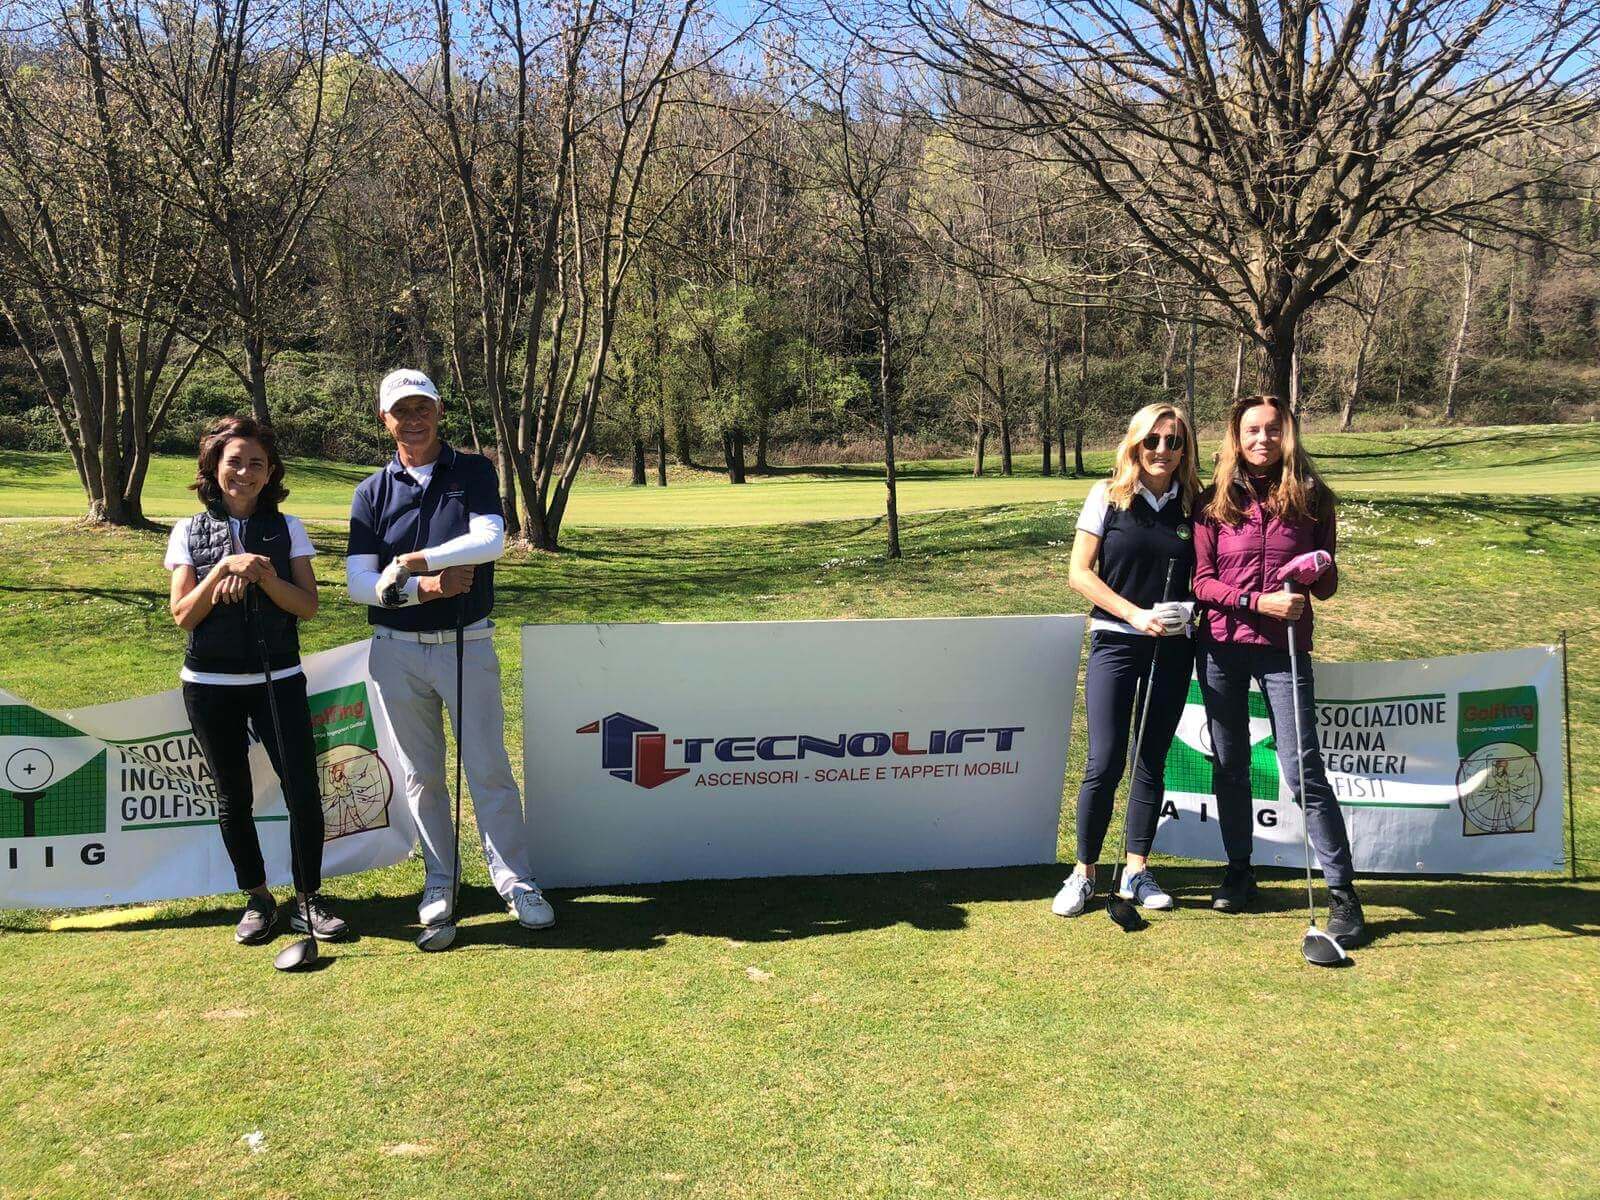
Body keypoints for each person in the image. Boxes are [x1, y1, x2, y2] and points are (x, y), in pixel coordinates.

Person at [345, 368, 555, 937]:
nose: (413, 419)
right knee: (420, 775)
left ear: (439, 412)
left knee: (488, 768)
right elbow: (359, 583)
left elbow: (489, 541)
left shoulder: (473, 471)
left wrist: (415, 561)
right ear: (384, 420)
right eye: (401, 411)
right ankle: (441, 878)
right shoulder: (371, 492)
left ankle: (516, 880)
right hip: (395, 651)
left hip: (467, 643)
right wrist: (425, 588)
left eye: (423, 408)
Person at [165, 416, 347, 946]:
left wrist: (264, 575)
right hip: (209, 683)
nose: (244, 473)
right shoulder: (187, 531)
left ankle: (308, 899)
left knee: (303, 792)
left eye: (256, 464)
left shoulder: (289, 529)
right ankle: (259, 898)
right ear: (213, 468)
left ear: (270, 474)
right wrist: (223, 569)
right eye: (234, 462)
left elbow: (307, 606)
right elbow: (184, 615)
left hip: (278, 678)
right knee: (233, 797)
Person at [1191, 394, 1365, 947]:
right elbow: (1202, 582)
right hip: (1221, 647)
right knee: (1230, 764)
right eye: (1251, 430)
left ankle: (1342, 895)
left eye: (1272, 429)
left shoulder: (1313, 497)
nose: (1262, 439)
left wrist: (1320, 567)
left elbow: (1327, 588)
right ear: (1236, 437)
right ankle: (1240, 871)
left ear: (1287, 434)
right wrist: (1256, 602)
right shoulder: (1213, 501)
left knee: (1302, 769)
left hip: (1283, 649)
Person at [1051, 403, 1201, 918]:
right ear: (1135, 443)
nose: (1162, 450)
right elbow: (1079, 573)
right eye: (1152, 440)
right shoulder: (1108, 494)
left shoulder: (1196, 504)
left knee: (1150, 759)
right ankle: (1084, 872)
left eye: (1174, 441)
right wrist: (1134, 614)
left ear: (1185, 449)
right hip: (1117, 641)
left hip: (1173, 646)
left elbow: (1209, 576)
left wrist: (1191, 609)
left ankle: (1136, 869)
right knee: (1105, 760)